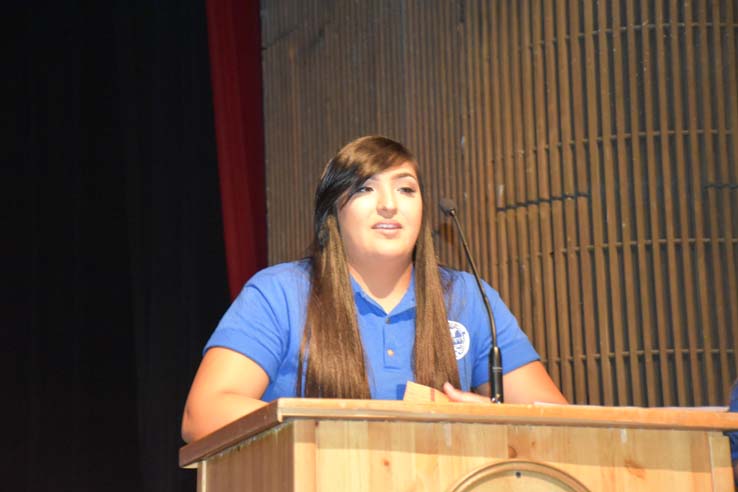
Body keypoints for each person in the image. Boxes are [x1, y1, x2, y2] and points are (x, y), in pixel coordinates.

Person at [181, 135, 567, 443]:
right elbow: (204, 414)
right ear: (332, 212)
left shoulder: (468, 298)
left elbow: (561, 422)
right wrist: (350, 428)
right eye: (365, 189)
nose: (388, 205)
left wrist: (492, 421)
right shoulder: (280, 293)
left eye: (406, 189)